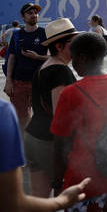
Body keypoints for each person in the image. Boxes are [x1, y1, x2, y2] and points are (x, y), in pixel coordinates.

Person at [51, 32, 107, 211]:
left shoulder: (71, 93)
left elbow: (61, 145)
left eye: (73, 58)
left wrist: (57, 185)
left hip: (83, 185)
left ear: (82, 58)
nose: (72, 64)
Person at [0, 98, 90, 212]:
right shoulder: (3, 112)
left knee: (38, 192)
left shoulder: (40, 78)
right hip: (47, 140)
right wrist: (61, 201)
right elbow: (12, 203)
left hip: (33, 133)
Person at [24, 18, 79, 197]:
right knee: (70, 197)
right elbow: (61, 117)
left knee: (39, 197)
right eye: (74, 41)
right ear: (59, 46)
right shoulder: (60, 72)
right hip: (49, 144)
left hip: (33, 138)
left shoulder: (43, 67)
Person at [5, 3, 49, 141]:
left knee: (43, 117)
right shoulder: (17, 35)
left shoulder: (44, 33)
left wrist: (38, 57)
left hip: (40, 82)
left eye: (35, 13)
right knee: (21, 118)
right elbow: (11, 58)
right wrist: (8, 82)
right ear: (23, 17)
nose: (34, 15)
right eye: (30, 13)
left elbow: (54, 57)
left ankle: (38, 149)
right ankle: (24, 154)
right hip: (19, 82)